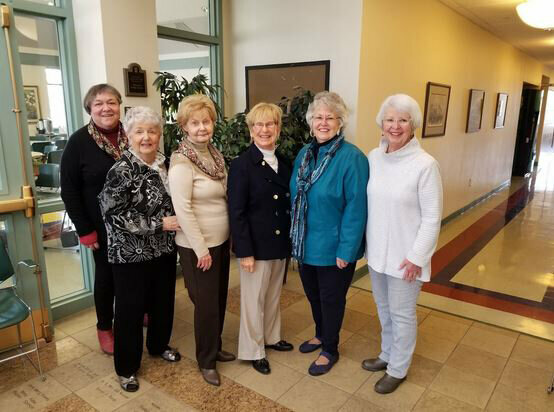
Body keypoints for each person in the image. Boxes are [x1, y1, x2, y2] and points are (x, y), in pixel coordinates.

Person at [362, 94, 443, 394]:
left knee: (402, 313)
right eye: (390, 119)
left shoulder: (425, 165)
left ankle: (398, 369)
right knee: (384, 309)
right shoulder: (373, 157)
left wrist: (417, 257)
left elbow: (433, 217)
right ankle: (386, 355)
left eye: (403, 120)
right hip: (378, 254)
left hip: (406, 258)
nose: (395, 126)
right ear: (381, 124)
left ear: (413, 125)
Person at [98, 106, 181, 392]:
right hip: (130, 254)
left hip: (163, 250)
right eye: (139, 131)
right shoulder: (120, 170)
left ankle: (158, 346)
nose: (146, 137)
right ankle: (126, 368)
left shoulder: (166, 163)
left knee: (163, 303)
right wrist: (161, 224)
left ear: (160, 134)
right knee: (129, 312)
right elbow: (114, 216)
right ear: (128, 135)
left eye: (152, 131)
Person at [290, 91, 369, 376]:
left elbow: (356, 209)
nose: (323, 123)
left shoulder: (353, 158)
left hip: (334, 248)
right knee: (313, 295)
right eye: (318, 117)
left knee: (331, 299)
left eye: (330, 118)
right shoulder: (304, 154)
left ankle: (330, 348)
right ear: (311, 122)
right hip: (306, 244)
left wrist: (346, 251)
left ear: (340, 123)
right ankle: (321, 334)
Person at [168, 94, 235, 387]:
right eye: (194, 123)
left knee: (218, 299)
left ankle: (215, 347)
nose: (201, 128)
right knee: (206, 305)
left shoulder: (214, 155)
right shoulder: (182, 160)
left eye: (206, 121)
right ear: (184, 126)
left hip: (220, 240)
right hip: (199, 246)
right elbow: (182, 208)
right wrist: (201, 249)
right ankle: (206, 361)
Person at [228, 102, 294, 375]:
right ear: (251, 130)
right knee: (253, 300)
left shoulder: (286, 162)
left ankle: (271, 337)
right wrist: (245, 251)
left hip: (278, 244)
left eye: (270, 124)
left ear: (278, 128)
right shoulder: (242, 165)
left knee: (273, 296)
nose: (265, 130)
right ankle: (253, 350)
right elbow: (237, 212)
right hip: (255, 246)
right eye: (259, 125)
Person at [60, 84, 127, 355]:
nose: (106, 108)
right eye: (99, 103)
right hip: (101, 227)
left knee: (137, 272)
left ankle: (139, 310)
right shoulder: (78, 142)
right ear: (90, 108)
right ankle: (104, 327)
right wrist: (85, 231)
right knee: (107, 278)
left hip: (137, 224)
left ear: (119, 105)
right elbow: (70, 191)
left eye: (111, 102)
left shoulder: (133, 133)